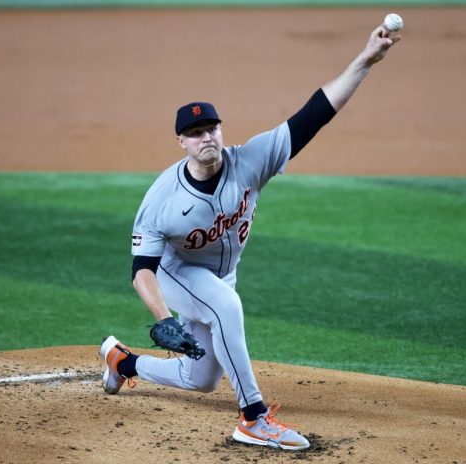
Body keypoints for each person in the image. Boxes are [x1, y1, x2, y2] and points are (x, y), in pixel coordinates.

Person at [99, 21, 400, 451]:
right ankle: (253, 418)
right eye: (196, 133)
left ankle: (123, 362)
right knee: (225, 306)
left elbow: (315, 113)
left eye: (212, 129)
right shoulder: (162, 199)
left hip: (220, 275)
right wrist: (164, 318)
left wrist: (365, 60)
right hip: (176, 273)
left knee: (200, 378)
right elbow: (141, 269)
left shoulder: (250, 160)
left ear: (221, 130)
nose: (207, 138)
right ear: (181, 142)